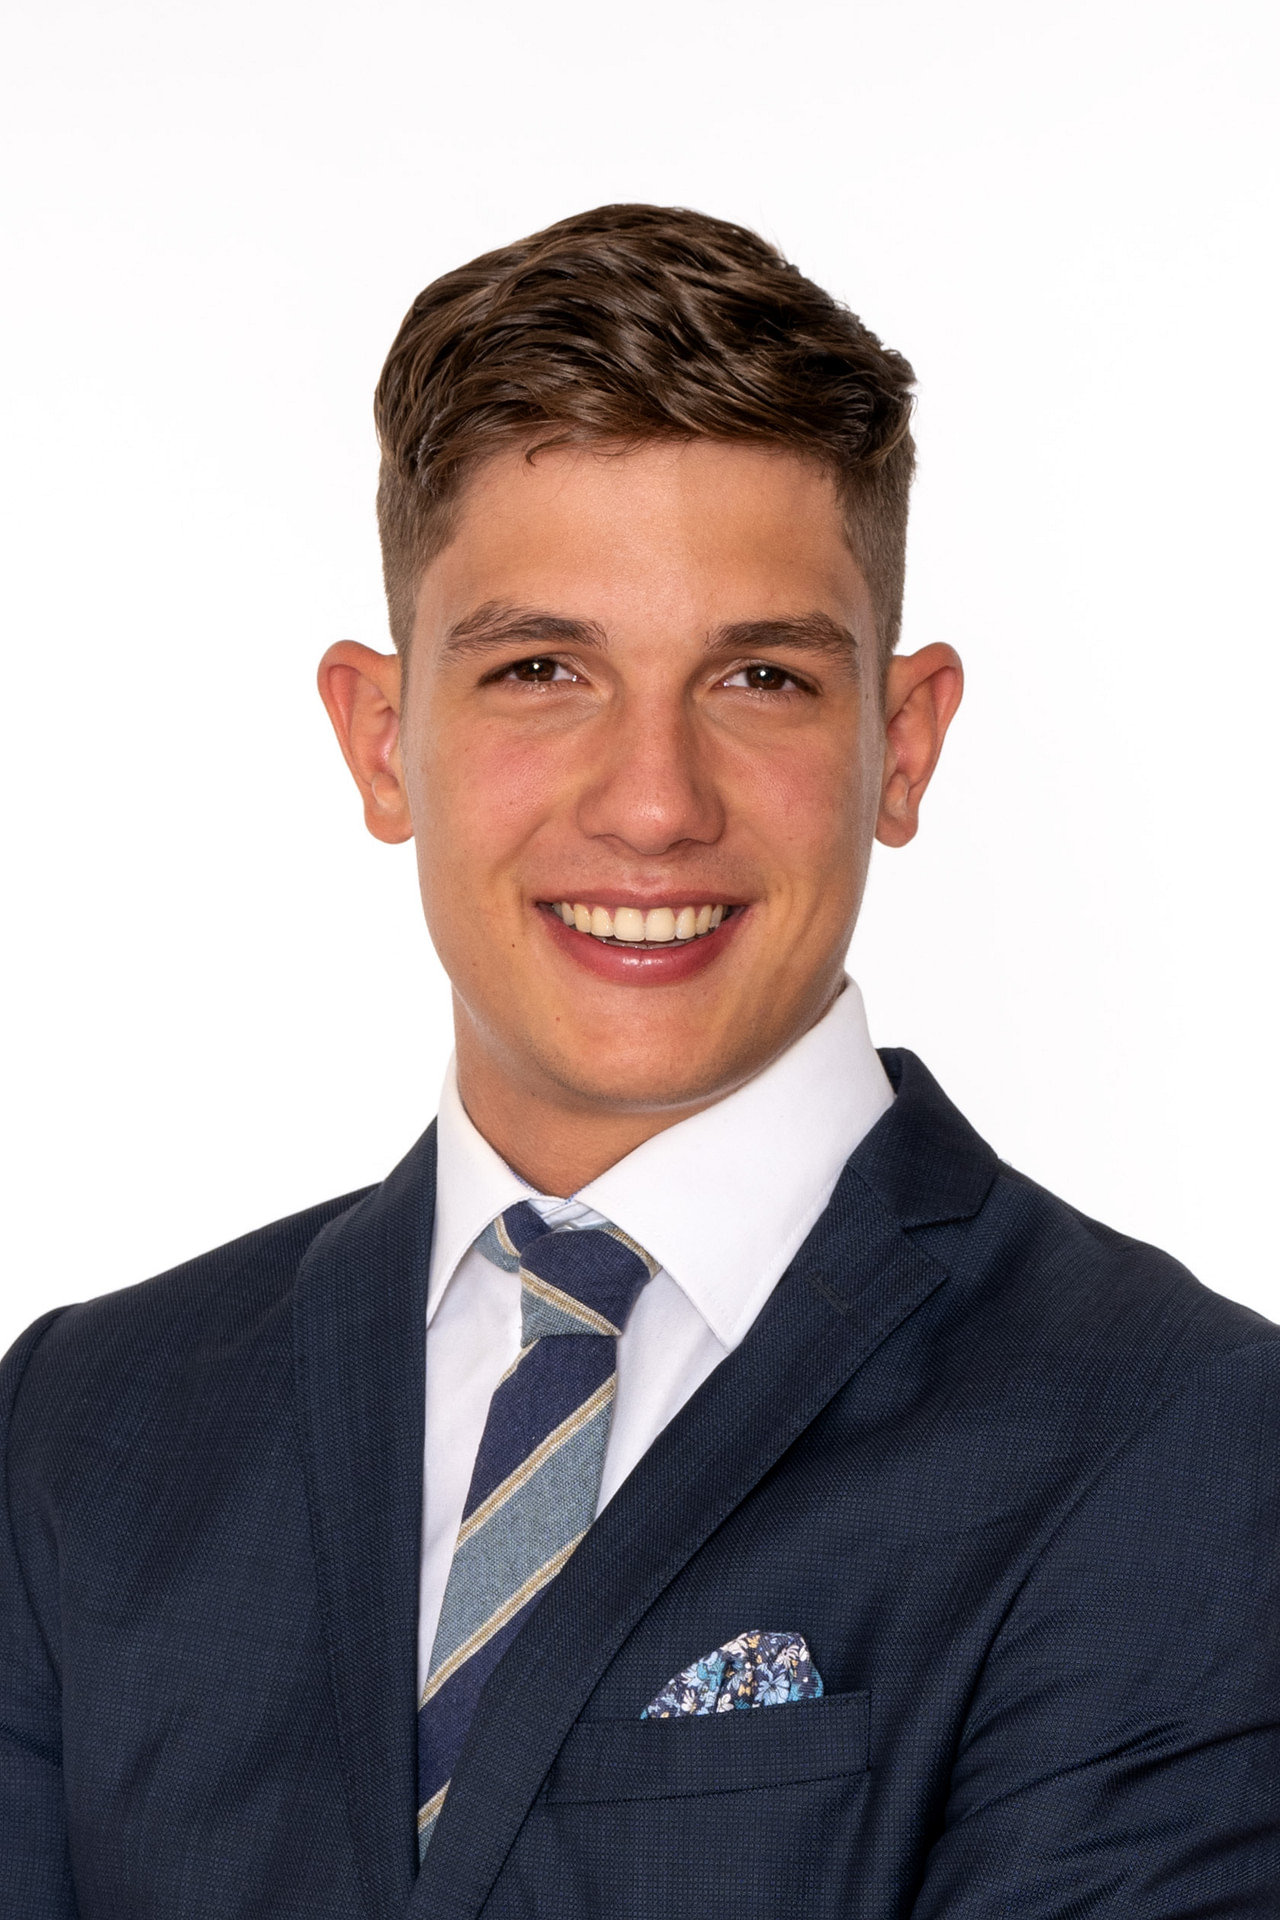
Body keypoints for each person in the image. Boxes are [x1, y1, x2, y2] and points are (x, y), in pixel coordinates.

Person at [2, 204, 1276, 1920]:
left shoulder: (1183, 1439)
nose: (655, 803)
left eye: (760, 676)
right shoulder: (85, 1428)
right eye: (542, 669)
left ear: (902, 746)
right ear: (383, 741)